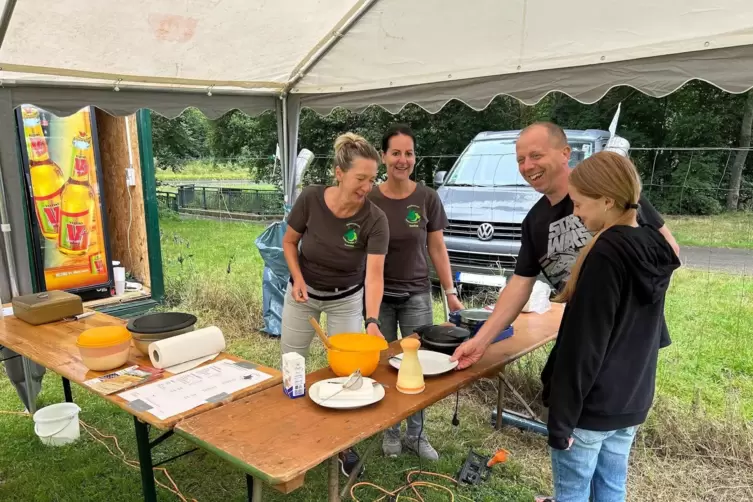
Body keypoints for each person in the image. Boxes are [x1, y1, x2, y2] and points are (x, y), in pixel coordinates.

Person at [450, 122, 680, 370]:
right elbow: (520, 284)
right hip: (584, 338)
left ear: (565, 154)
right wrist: (481, 340)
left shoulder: (609, 191)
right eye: (520, 160)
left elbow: (668, 250)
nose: (527, 166)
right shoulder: (534, 222)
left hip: (631, 340)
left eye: (536, 155)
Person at [538, 151, 680, 501]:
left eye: (579, 203)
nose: (575, 213)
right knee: (612, 490)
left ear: (606, 200)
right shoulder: (653, 243)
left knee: (571, 494)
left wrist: (562, 420)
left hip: (591, 408)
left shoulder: (606, 254)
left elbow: (583, 346)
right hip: (630, 400)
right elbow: (651, 334)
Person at [281, 132, 388, 476]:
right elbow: (288, 241)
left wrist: (371, 319)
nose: (367, 187)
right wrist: (297, 278)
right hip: (303, 294)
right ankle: (293, 431)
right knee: (292, 363)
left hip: (346, 298)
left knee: (349, 371)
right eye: (361, 178)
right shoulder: (311, 198)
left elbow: (374, 276)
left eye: (372, 179)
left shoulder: (375, 219)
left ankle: (345, 445)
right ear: (339, 173)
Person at [368, 124, 464, 461]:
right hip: (377, 298)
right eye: (396, 152)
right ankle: (389, 431)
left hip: (417, 296)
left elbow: (437, 247)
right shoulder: (370, 197)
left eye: (408, 153)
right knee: (383, 364)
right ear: (383, 157)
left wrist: (449, 291)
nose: (402, 159)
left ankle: (416, 434)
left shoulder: (427, 197)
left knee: (418, 364)